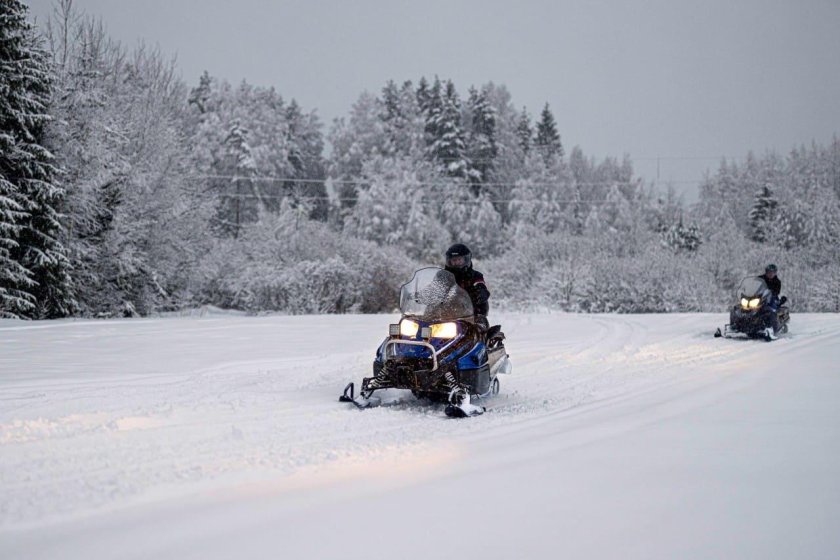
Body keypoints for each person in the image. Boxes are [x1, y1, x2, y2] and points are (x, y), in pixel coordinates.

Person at [444, 243, 490, 332]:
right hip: (446, 313)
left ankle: (482, 343)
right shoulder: (443, 277)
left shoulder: (475, 276)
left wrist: (479, 293)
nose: (456, 262)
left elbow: (481, 286)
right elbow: (434, 288)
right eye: (454, 260)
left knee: (479, 329)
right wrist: (420, 295)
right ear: (449, 261)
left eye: (459, 260)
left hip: (472, 314)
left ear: (466, 260)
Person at [759, 264, 783, 338]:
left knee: (771, 309)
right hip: (759, 297)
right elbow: (754, 285)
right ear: (766, 272)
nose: (770, 274)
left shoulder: (777, 281)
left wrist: (772, 292)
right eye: (769, 272)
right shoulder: (760, 278)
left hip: (771, 297)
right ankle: (735, 325)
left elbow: (777, 292)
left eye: (772, 272)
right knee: (742, 307)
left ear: (775, 273)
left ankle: (772, 327)